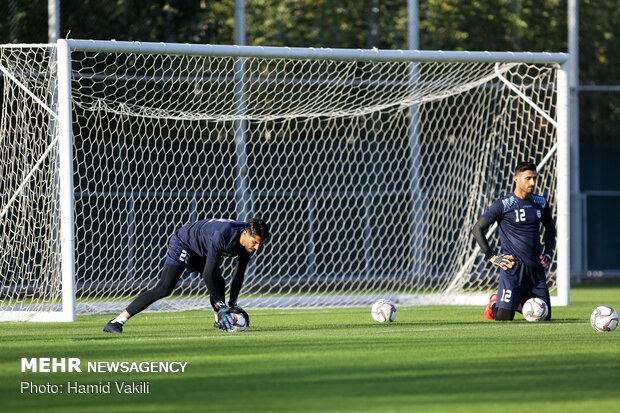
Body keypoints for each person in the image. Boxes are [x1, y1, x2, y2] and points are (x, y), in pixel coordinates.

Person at [103, 217, 269, 333]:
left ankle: (219, 321)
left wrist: (232, 303)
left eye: (260, 244)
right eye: (254, 242)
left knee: (219, 281)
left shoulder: (249, 246)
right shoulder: (223, 235)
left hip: (201, 249)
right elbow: (207, 273)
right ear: (245, 234)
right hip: (184, 243)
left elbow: (239, 273)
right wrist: (222, 305)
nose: (256, 247)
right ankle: (117, 322)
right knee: (164, 288)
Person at [471, 161, 555, 321]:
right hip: (513, 270)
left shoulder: (541, 203)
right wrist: (491, 256)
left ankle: (520, 303)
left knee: (545, 316)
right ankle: (495, 301)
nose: (532, 182)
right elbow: (477, 229)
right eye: (528, 178)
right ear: (516, 179)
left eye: (535, 178)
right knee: (503, 318)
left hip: (535, 271)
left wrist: (548, 253)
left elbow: (550, 228)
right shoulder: (503, 204)